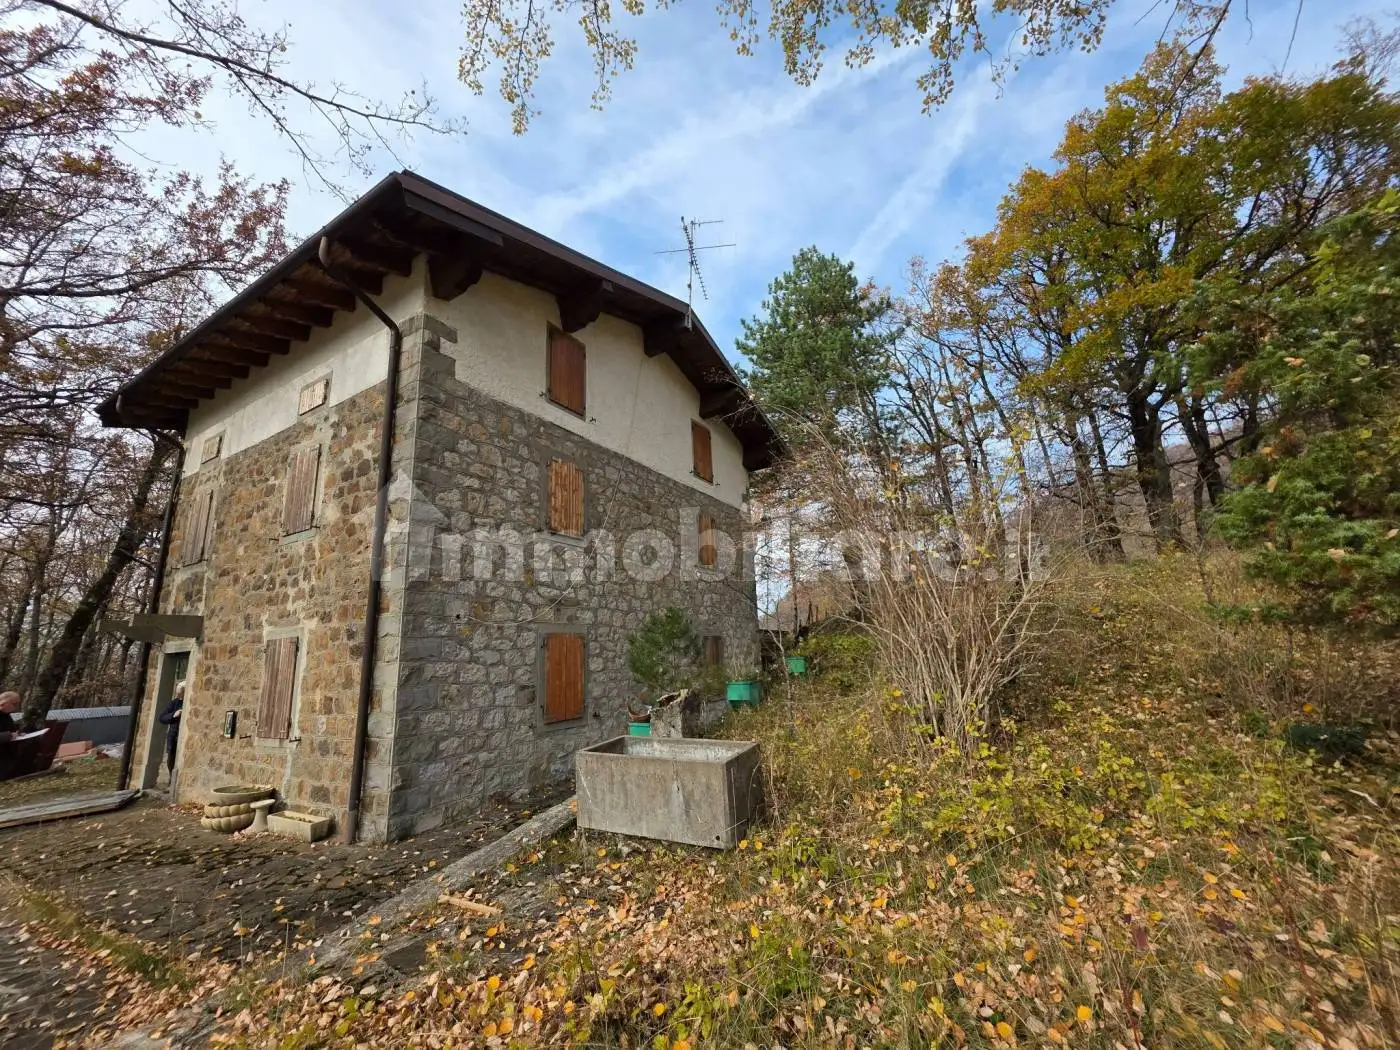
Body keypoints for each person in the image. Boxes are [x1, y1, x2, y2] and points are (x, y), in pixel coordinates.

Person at [158, 681, 184, 780]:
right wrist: (173, 714)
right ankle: (171, 779)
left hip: (182, 736)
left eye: (181, 694)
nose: (179, 696)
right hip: (173, 735)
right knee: (171, 760)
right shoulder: (174, 703)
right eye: (178, 694)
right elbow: (162, 718)